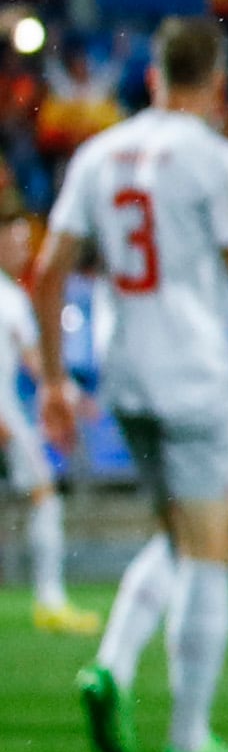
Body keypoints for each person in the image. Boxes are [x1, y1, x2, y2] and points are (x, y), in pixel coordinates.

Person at [34, 17, 228, 752]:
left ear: (152, 78)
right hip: (194, 369)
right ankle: (190, 737)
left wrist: (53, 383)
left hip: (123, 370)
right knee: (209, 546)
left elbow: (47, 272)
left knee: (177, 535)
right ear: (220, 86)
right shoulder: (218, 160)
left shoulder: (99, 154)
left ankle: (110, 666)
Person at [0, 210, 96, 632]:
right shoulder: (9, 299)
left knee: (42, 495)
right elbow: (35, 361)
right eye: (16, 243)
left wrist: (69, 395)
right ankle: (50, 600)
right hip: (3, 412)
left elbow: (35, 362)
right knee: (44, 496)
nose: (24, 252)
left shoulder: (13, 297)